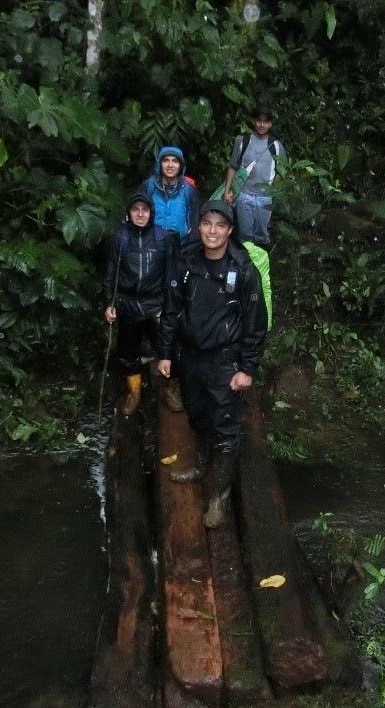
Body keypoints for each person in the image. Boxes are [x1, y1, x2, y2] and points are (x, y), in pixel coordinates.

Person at [157, 200, 268, 528]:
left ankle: (218, 497)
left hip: (224, 360)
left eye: (220, 225)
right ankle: (204, 467)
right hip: (190, 357)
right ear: (199, 226)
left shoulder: (243, 269)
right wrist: (165, 352)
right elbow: (172, 309)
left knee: (224, 427)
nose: (213, 231)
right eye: (207, 224)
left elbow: (255, 323)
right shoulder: (187, 262)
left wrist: (247, 368)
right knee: (196, 414)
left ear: (230, 230)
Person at [102, 192, 173, 416]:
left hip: (156, 304)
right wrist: (109, 303)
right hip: (127, 304)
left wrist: (168, 305)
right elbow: (110, 273)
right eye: (136, 210)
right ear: (129, 213)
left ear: (151, 213)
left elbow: (172, 275)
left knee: (166, 348)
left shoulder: (163, 238)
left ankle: (169, 389)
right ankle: (134, 392)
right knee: (127, 351)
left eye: (145, 210)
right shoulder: (120, 238)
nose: (140, 214)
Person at [222, 105, 286, 249]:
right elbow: (233, 166)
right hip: (244, 194)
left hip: (265, 196)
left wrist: (273, 191)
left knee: (262, 234)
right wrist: (227, 192)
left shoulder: (276, 145)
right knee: (245, 233)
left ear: (270, 124)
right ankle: (245, 264)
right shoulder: (242, 141)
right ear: (253, 121)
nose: (262, 125)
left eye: (265, 122)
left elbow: (281, 171)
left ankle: (261, 264)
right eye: (259, 120)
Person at [144, 145, 200, 244]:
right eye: (166, 160)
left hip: (181, 245)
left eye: (175, 161)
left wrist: (192, 244)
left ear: (180, 166)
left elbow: (194, 220)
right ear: (160, 164)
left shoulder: (188, 189)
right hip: (153, 244)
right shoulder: (149, 186)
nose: (170, 165)